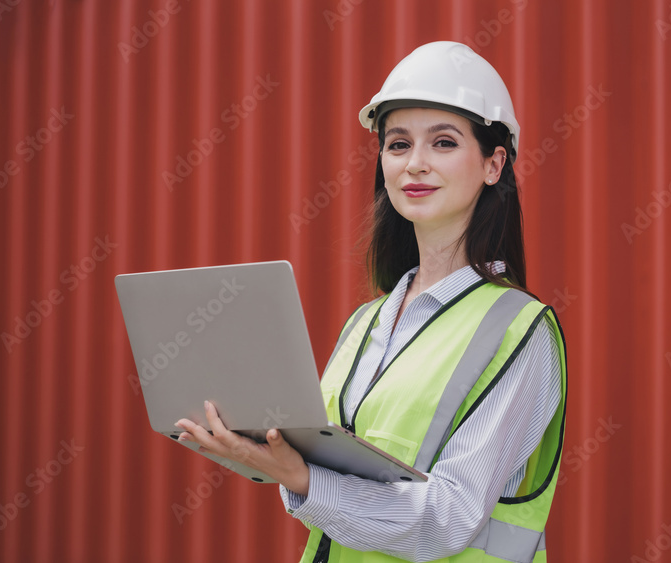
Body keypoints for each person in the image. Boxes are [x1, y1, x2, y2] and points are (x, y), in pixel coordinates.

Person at [175, 41, 567, 563]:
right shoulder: (367, 322)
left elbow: (447, 521)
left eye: (444, 143)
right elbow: (322, 480)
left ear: (494, 163)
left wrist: (298, 476)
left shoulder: (521, 330)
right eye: (398, 144)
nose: (416, 164)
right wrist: (264, 448)